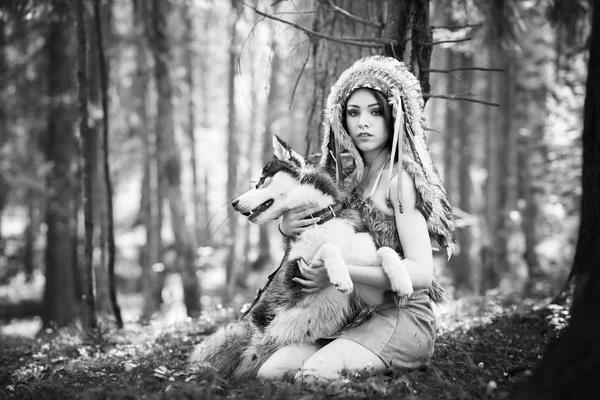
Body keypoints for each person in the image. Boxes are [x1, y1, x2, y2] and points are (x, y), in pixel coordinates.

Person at [258, 55, 456, 382]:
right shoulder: (348, 181)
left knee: (312, 376)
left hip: (402, 316)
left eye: (375, 112)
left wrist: (337, 273)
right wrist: (286, 227)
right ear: (341, 121)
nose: (363, 122)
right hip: (352, 314)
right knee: (270, 374)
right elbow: (315, 239)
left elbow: (421, 273)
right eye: (354, 112)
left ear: (394, 116)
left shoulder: (400, 182)